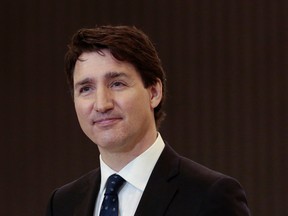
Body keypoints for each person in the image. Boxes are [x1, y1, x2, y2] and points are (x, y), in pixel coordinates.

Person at [46, 25, 251, 216]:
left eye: (117, 84)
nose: (101, 104)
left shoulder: (209, 195)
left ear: (154, 92)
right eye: (86, 89)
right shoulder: (63, 204)